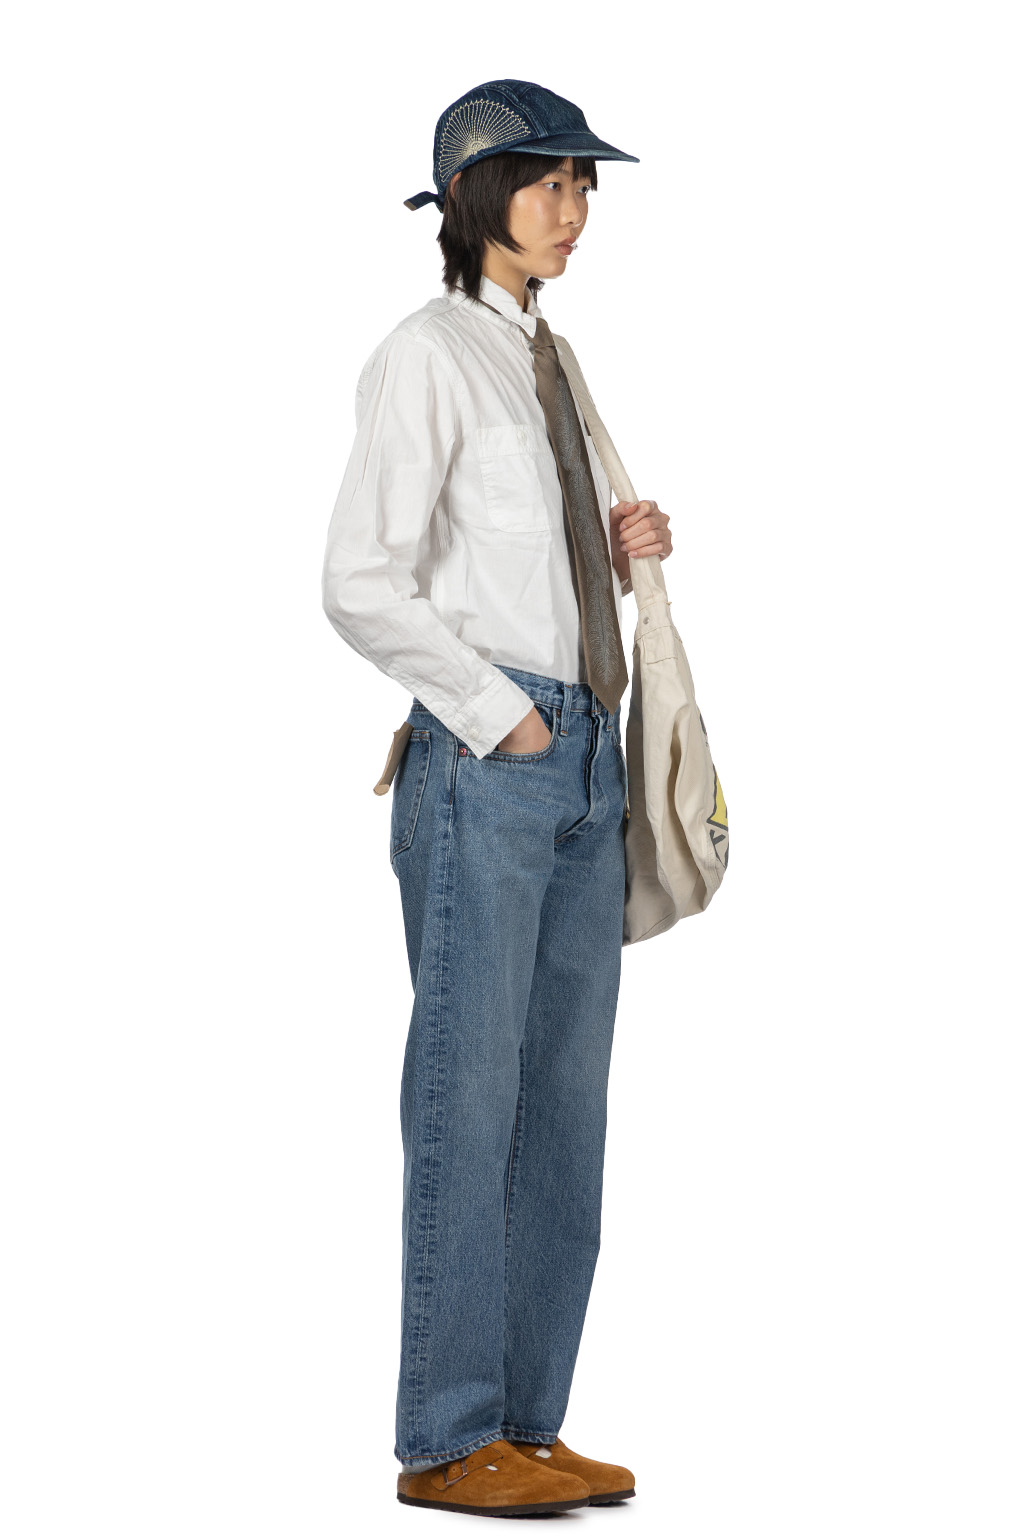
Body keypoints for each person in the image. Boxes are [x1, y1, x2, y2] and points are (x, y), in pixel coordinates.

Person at [321, 79, 673, 1518]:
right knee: (469, 1107)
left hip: (586, 757)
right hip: (493, 760)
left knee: (564, 1111)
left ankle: (526, 1423)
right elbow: (360, 580)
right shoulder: (426, 355)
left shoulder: (552, 362)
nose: (573, 210)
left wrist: (618, 541)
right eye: (547, 183)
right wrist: (501, 714)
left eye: (585, 186)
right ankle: (448, 1435)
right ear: (475, 198)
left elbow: (512, 556)